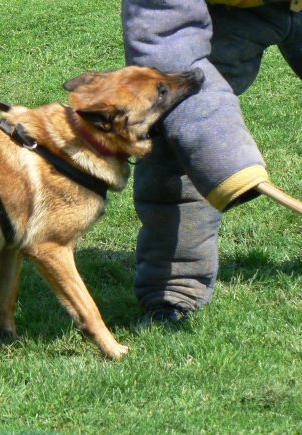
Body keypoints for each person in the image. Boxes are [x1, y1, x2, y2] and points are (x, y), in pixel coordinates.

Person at [120, 0, 302, 322]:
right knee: (177, 126)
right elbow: (167, 43)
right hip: (229, 12)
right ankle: (175, 289)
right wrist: (216, 148)